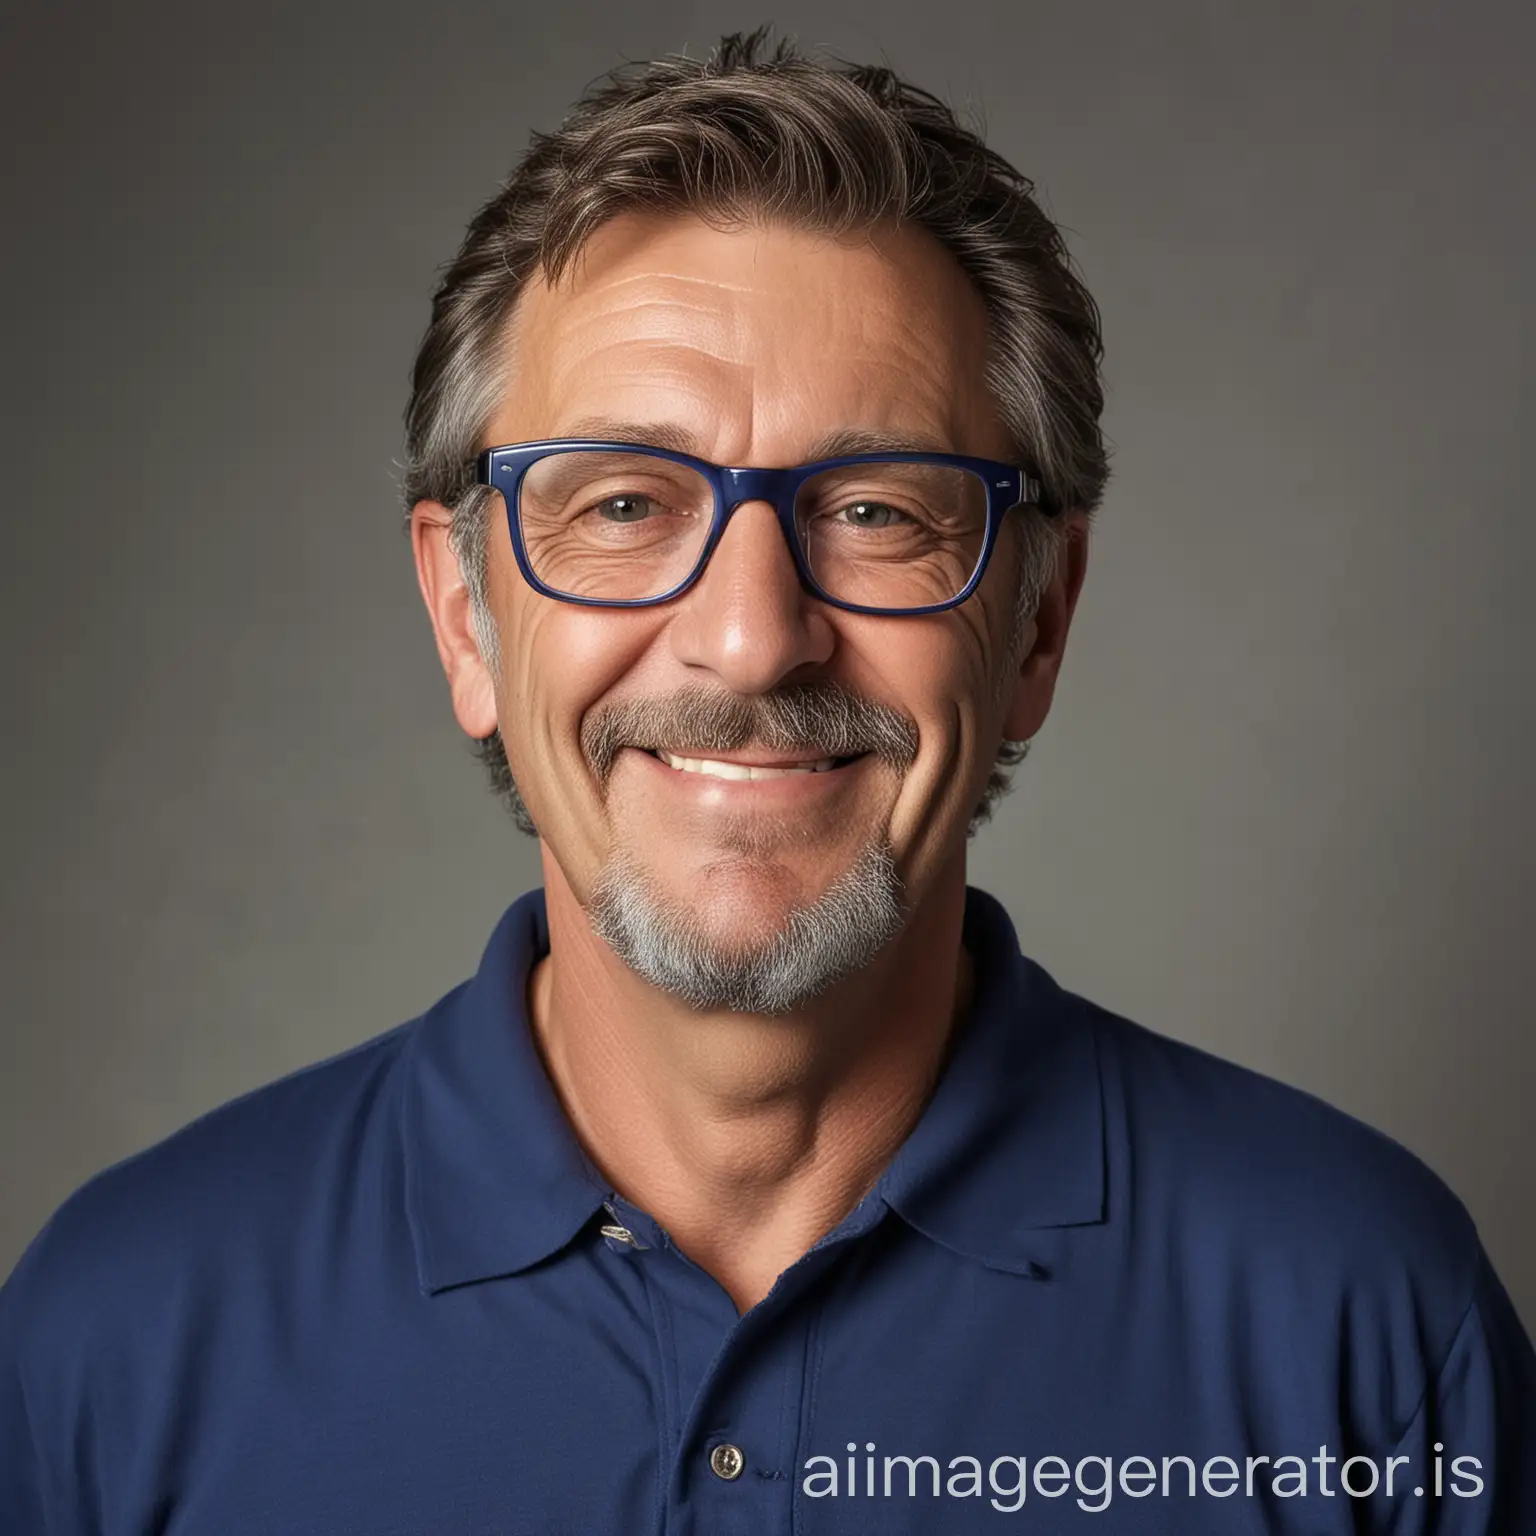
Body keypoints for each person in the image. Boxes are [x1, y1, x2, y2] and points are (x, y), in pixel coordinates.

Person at [2, 28, 1531, 1534]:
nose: (750, 641)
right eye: (620, 501)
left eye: (876, 509)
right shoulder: (118, 1344)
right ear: (467, 615)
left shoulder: (1363, 1332)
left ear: (1040, 623)